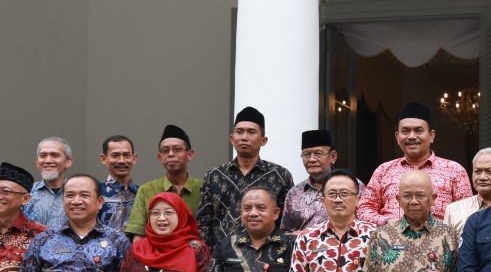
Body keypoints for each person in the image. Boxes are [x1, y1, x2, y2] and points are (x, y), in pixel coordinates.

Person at [197, 107, 294, 253]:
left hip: (267, 257)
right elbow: (203, 222)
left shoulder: (280, 175)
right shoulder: (215, 175)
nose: (244, 137)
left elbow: (286, 222)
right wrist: (211, 256)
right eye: (239, 131)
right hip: (223, 257)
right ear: (232, 138)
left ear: (263, 140)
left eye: (251, 132)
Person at [358, 101, 471, 225]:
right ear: (397, 137)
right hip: (392, 240)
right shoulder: (383, 170)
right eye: (405, 131)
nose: (411, 136)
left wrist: (439, 231)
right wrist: (389, 223)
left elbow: (466, 214)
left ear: (431, 135)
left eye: (419, 130)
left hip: (439, 241)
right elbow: (363, 210)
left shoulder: (454, 170)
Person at [126, 125, 202, 237]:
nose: (171, 154)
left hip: (194, 253)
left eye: (177, 149)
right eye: (165, 151)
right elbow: (138, 235)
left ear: (190, 155)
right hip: (156, 254)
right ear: (160, 157)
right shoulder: (146, 190)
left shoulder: (204, 188)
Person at [283, 129, 363, 234]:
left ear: (333, 156)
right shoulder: (294, 193)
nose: (311, 159)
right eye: (306, 155)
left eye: (318, 154)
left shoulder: (354, 186)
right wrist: (297, 236)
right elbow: (286, 232)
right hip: (306, 248)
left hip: (346, 247)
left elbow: (365, 222)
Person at [22, 137, 74, 231]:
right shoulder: (26, 193)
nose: (48, 160)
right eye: (43, 156)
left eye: (55, 155)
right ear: (37, 162)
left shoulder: (79, 194)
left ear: (68, 161)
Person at [98, 136, 141, 232]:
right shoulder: (95, 192)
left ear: (134, 159)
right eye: (115, 155)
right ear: (103, 158)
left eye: (126, 155)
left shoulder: (142, 193)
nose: (121, 160)